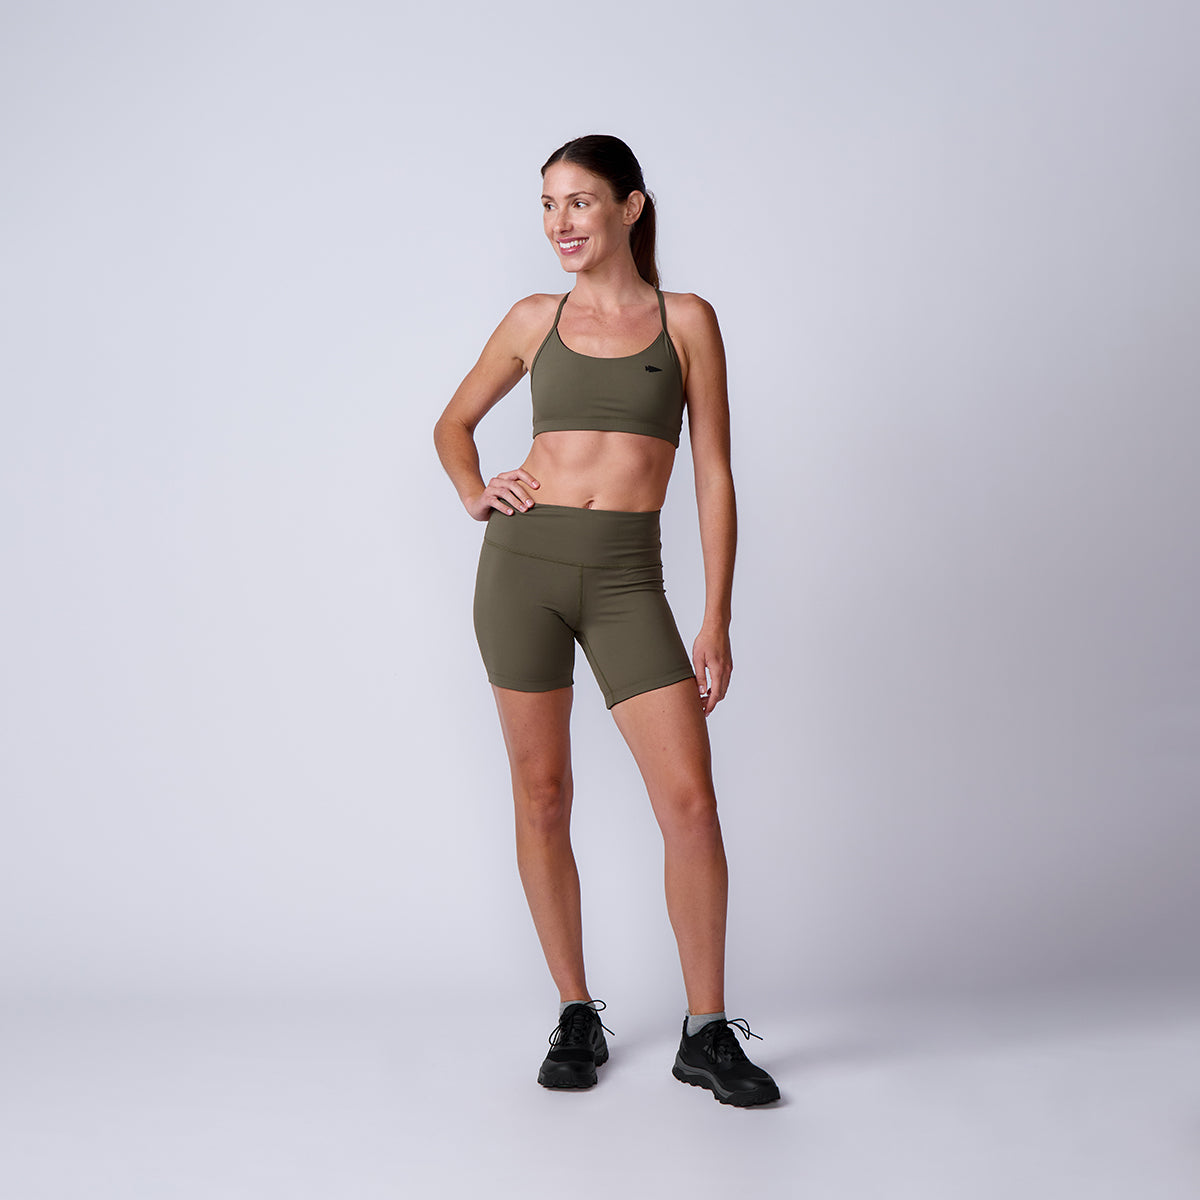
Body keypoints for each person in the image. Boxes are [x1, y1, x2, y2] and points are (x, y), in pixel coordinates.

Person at [433, 135, 778, 1107]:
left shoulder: (689, 323)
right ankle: (574, 1009)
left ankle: (706, 1032)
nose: (560, 224)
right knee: (542, 795)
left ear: (631, 207)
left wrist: (714, 615)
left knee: (690, 803)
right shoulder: (531, 318)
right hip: (522, 572)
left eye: (580, 203)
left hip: (629, 580)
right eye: (547, 206)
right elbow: (450, 425)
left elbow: (712, 469)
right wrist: (474, 492)